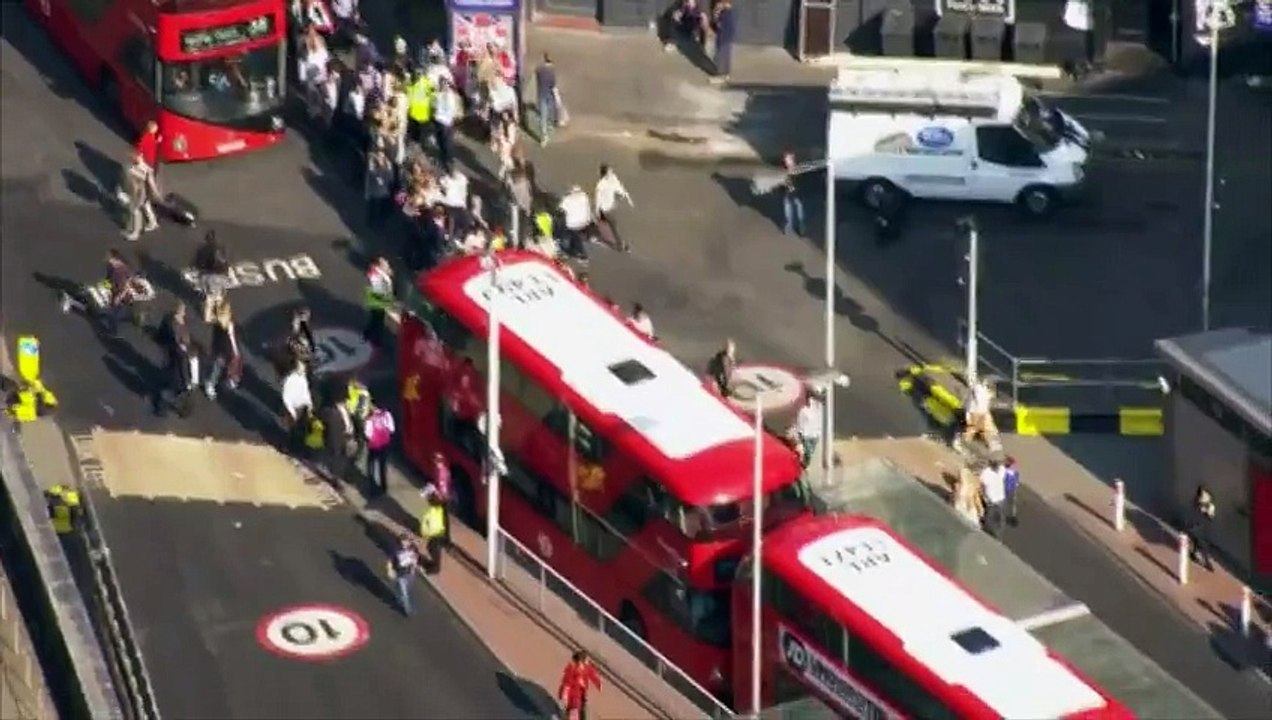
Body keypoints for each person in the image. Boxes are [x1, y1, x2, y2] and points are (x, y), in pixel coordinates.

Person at [153, 302, 197, 417]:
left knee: (170, 388)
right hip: (179, 377)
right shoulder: (183, 351)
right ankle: (163, 407)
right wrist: (191, 382)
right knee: (174, 391)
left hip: (171, 362)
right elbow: (185, 368)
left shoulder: (169, 320)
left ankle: (163, 405)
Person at [203, 300, 241, 399]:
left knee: (222, 365)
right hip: (223, 348)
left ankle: (216, 383)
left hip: (222, 347)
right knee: (218, 366)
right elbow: (232, 337)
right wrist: (235, 349)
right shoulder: (224, 323)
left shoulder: (221, 322)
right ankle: (211, 384)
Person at [192, 231, 231, 322]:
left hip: (207, 275)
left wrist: (199, 271)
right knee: (219, 296)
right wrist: (226, 274)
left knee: (209, 297)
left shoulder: (202, 249)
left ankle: (208, 316)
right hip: (220, 274)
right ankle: (220, 314)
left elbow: (197, 263)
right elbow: (225, 262)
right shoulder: (220, 248)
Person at [594, 164, 634, 252]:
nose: (612, 172)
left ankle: (601, 235)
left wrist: (626, 196)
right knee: (614, 227)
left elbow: (619, 187)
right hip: (606, 209)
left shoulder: (613, 178)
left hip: (611, 207)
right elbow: (598, 198)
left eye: (611, 170)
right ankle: (620, 245)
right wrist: (597, 210)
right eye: (610, 171)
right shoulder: (601, 185)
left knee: (608, 224)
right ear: (605, 174)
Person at [120, 151, 158, 241]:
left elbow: (149, 181)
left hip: (140, 193)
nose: (132, 159)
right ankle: (153, 222)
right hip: (141, 192)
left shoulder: (143, 168)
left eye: (134, 157)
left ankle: (136, 232)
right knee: (146, 205)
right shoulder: (136, 165)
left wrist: (155, 193)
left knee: (136, 211)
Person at [281, 359, 314, 452]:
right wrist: (291, 411)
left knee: (301, 429)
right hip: (292, 408)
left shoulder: (303, 379)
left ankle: (297, 447)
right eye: (301, 367)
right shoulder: (290, 379)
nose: (303, 369)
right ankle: (286, 446)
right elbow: (286, 396)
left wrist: (309, 404)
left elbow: (306, 393)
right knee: (290, 429)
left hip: (302, 408)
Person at [557, 650, 602, 720]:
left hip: (581, 694)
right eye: (586, 660)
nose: (587, 662)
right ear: (579, 661)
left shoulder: (586, 667)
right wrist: (564, 696)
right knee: (574, 710)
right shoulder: (572, 669)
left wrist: (598, 683)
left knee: (580, 709)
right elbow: (566, 684)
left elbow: (592, 674)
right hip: (572, 695)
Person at [320, 393, 355, 482]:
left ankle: (339, 475)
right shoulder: (332, 410)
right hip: (337, 435)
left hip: (347, 435)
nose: (346, 401)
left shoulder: (345, 409)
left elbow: (348, 421)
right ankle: (334, 476)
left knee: (345, 456)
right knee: (336, 455)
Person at [363, 257, 394, 348]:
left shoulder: (380, 273)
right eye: (385, 264)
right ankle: (374, 339)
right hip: (377, 300)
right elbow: (377, 287)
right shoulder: (375, 273)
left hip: (379, 299)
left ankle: (368, 334)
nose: (387, 265)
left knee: (375, 319)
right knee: (378, 320)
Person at [364, 404, 395, 496]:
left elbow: (367, 433)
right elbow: (392, 429)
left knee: (371, 465)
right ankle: (384, 487)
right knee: (383, 465)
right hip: (385, 444)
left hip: (374, 445)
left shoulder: (370, 418)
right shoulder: (386, 415)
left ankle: (373, 489)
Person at [385, 535, 421, 615]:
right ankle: (407, 610)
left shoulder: (413, 548)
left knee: (407, 588)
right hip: (400, 574)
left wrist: (413, 567)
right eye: (402, 543)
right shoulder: (395, 550)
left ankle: (399, 597)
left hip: (409, 573)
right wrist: (389, 570)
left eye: (405, 543)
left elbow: (415, 557)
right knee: (404, 593)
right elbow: (390, 561)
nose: (404, 545)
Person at [559, 185, 593, 263]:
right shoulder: (584, 197)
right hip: (585, 222)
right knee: (576, 235)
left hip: (572, 225)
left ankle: (567, 251)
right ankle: (581, 253)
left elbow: (561, 209)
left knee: (566, 233)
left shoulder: (567, 199)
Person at [1188, 484, 1216, 571]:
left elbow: (1210, 515)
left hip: (1199, 525)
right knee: (1203, 545)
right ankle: (1207, 563)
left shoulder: (1204, 502)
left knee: (1197, 541)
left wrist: (1207, 511)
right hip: (1197, 526)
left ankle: (1193, 554)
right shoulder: (1197, 502)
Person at [794, 390, 824, 468]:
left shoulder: (818, 406)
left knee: (809, 454)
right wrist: (798, 432)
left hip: (815, 434)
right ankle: (802, 466)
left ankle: (803, 466)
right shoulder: (802, 409)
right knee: (808, 453)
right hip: (805, 434)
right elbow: (799, 421)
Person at [978, 459, 1008, 537]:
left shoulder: (998, 471)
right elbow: (982, 485)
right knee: (993, 522)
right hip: (995, 501)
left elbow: (982, 485)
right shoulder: (987, 473)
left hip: (997, 501)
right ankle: (988, 535)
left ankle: (990, 534)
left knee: (996, 521)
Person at [420, 492, 448, 573]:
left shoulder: (429, 513)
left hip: (434, 535)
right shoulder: (440, 509)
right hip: (440, 534)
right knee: (434, 551)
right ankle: (433, 566)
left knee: (433, 551)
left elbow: (424, 525)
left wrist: (424, 534)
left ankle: (432, 569)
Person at [710, 0, 737, 84]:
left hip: (725, 13)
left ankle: (723, 74)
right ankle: (723, 73)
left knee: (723, 45)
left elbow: (726, 4)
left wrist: (721, 5)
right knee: (721, 44)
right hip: (722, 13)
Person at [534, 53, 558, 144]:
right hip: (549, 94)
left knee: (542, 116)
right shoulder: (552, 71)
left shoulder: (539, 69)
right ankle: (551, 125)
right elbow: (553, 84)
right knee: (550, 111)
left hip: (541, 94)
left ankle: (544, 137)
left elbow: (536, 77)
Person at [779, 152, 805, 236]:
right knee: (789, 208)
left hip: (796, 193)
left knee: (798, 207)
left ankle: (800, 227)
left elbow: (799, 182)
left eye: (788, 160)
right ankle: (789, 227)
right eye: (786, 160)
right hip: (789, 194)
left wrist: (791, 185)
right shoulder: (786, 171)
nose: (787, 162)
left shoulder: (796, 170)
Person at [1003, 456, 1021, 526]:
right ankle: (1012, 516)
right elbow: (1016, 482)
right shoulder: (1014, 473)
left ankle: (1010, 516)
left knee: (1008, 503)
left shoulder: (1007, 472)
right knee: (1012, 504)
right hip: (1011, 490)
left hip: (1007, 489)